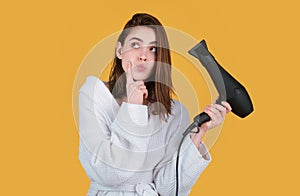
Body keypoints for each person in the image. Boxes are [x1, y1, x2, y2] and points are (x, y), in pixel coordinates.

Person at [78, 13, 232, 196]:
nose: (143, 56)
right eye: (135, 45)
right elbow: (108, 173)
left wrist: (199, 134)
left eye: (152, 49)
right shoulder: (95, 94)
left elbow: (168, 189)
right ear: (120, 51)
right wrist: (134, 109)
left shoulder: (174, 112)